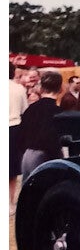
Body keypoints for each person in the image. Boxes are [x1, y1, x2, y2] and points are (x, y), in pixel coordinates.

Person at [19, 70, 64, 181]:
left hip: (27, 155)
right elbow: (52, 140)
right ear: (60, 89)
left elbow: (21, 134)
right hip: (45, 157)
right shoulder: (58, 113)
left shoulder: (30, 109)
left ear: (41, 88)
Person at [9, 62, 29, 213]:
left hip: (13, 125)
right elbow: (25, 110)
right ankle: (9, 202)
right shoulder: (19, 88)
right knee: (11, 169)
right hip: (14, 127)